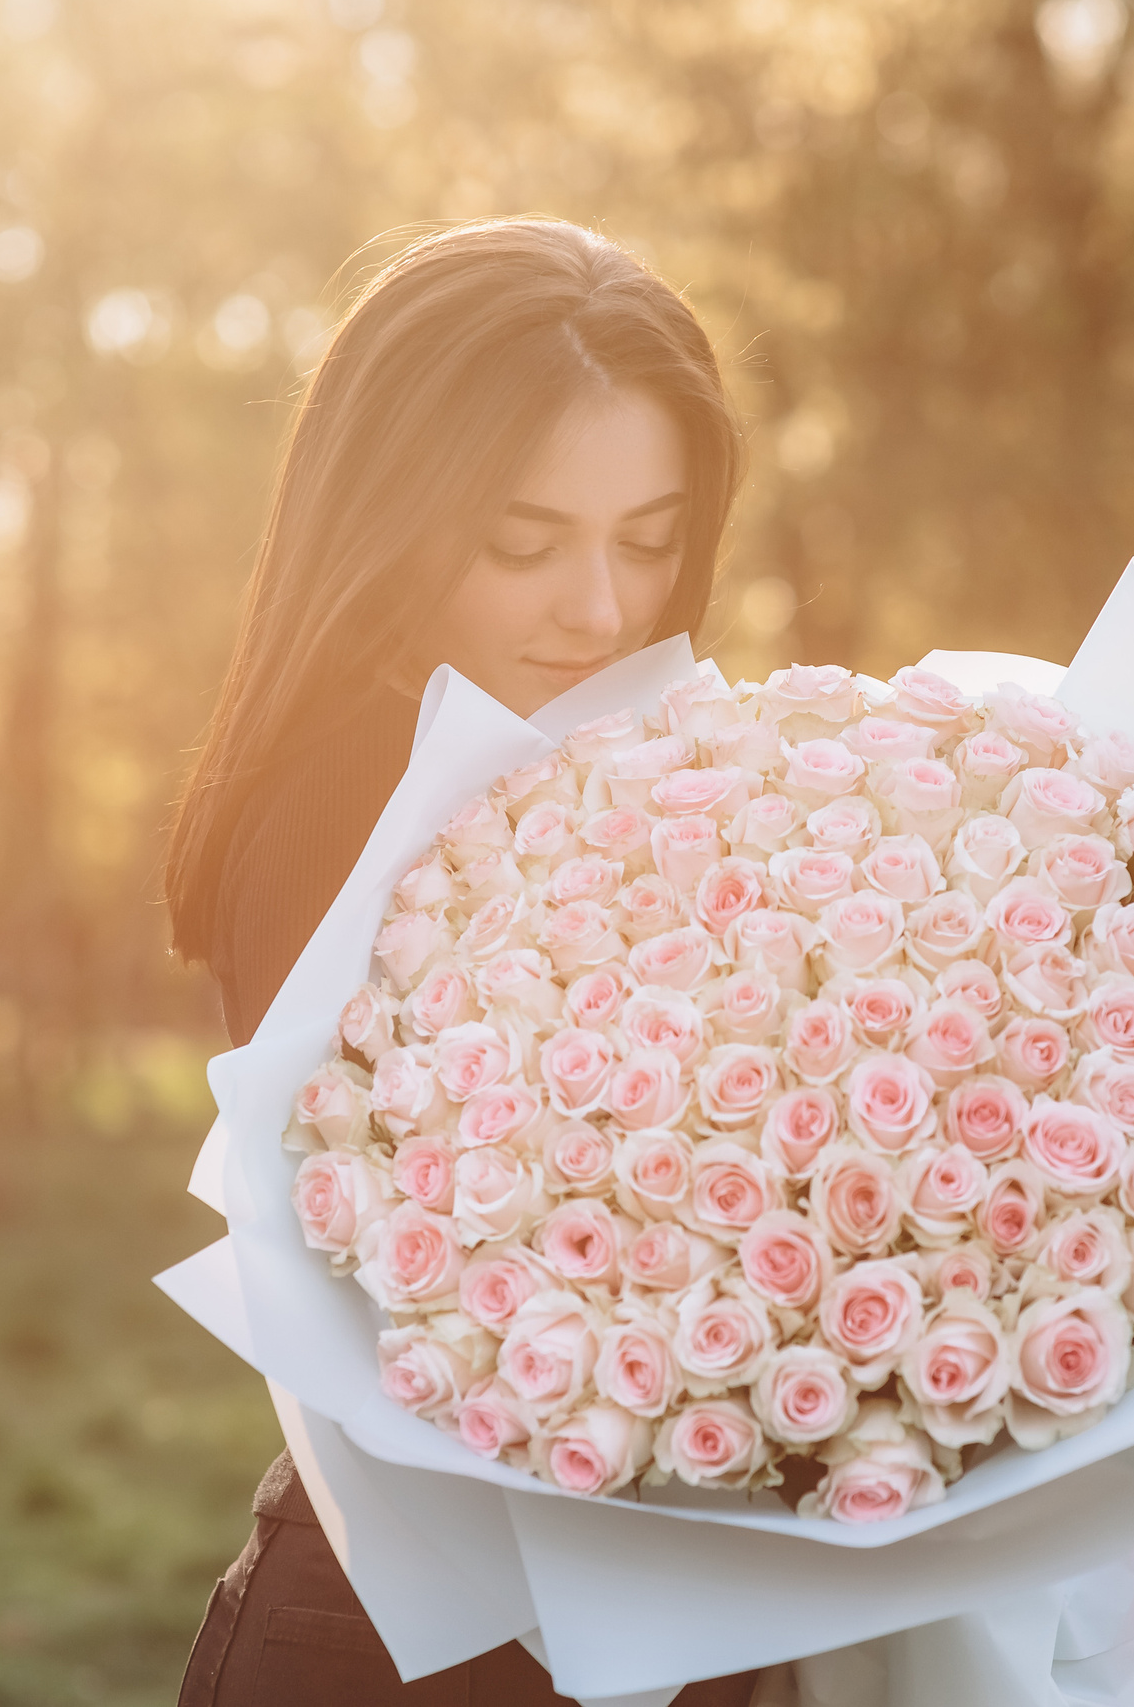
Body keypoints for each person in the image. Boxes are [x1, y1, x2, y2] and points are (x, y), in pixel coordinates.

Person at [162, 218, 761, 1706]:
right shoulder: (345, 794)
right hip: (420, 1645)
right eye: (523, 544)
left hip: (617, 1600)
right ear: (393, 518)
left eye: (649, 539)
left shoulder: (597, 756)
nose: (601, 607)